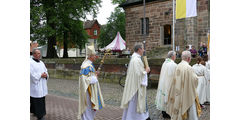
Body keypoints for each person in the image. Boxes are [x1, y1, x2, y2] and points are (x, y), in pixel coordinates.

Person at [166, 51, 201, 120]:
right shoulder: (189, 68)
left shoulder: (178, 65)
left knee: (178, 105)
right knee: (190, 112)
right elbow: (194, 80)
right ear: (188, 58)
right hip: (187, 93)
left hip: (178, 92)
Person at [121, 43, 151, 120]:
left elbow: (137, 72)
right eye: (143, 48)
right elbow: (138, 75)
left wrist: (143, 70)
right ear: (139, 49)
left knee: (132, 105)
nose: (144, 50)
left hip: (134, 85)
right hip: (136, 88)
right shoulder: (136, 60)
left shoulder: (134, 58)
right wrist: (146, 71)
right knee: (135, 105)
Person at [78, 44, 105, 120]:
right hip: (88, 92)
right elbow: (84, 79)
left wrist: (95, 74)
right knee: (88, 110)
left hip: (91, 90)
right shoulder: (86, 66)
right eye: (94, 55)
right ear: (90, 56)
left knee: (90, 111)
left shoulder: (89, 64)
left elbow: (89, 75)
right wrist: (94, 77)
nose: (95, 57)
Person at [155, 51, 177, 119]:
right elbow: (176, 76)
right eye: (175, 55)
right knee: (168, 97)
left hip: (163, 82)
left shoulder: (165, 62)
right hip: (170, 84)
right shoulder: (173, 64)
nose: (176, 57)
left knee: (164, 96)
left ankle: (164, 112)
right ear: (173, 56)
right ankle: (168, 112)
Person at [30, 49, 49, 120]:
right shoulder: (30, 63)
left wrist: (45, 75)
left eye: (40, 53)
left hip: (42, 84)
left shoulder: (41, 62)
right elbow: (31, 74)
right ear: (34, 54)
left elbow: (46, 71)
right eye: (38, 53)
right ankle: (40, 116)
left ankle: (35, 111)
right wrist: (40, 75)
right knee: (37, 100)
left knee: (41, 99)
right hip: (36, 85)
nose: (39, 55)